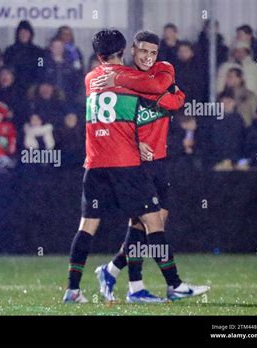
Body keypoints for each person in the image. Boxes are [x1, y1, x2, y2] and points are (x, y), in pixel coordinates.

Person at [63, 29, 208, 304]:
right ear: (129, 50)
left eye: (153, 52)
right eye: (143, 51)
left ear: (97, 55)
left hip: (97, 163)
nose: (148, 56)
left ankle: (78, 287)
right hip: (128, 162)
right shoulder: (136, 79)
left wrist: (122, 79)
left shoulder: (92, 78)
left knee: (92, 225)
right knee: (152, 223)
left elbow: (169, 99)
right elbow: (163, 93)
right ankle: (165, 285)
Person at [3, 20, 44, 91]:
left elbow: (41, 67)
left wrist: (35, 84)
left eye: (26, 32)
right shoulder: (9, 51)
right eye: (21, 33)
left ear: (31, 34)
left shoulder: (39, 52)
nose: (24, 35)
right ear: (17, 34)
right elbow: (7, 69)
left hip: (33, 87)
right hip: (13, 87)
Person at [211, 90, 246, 171]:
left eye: (229, 102)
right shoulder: (212, 120)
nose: (226, 105)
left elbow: (242, 141)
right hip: (217, 162)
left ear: (234, 103)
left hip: (236, 161)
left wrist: (238, 160)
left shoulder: (239, 119)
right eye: (223, 102)